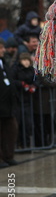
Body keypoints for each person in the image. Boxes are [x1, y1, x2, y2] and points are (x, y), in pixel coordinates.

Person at [0, 38, 19, 168]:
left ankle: (8, 155)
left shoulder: (4, 63)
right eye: (0, 48)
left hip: (8, 106)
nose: (3, 50)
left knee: (10, 131)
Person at [11, 52, 37, 148]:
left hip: (28, 100)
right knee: (19, 122)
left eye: (27, 60)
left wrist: (33, 86)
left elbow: (36, 80)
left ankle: (26, 144)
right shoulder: (16, 69)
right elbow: (13, 81)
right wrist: (22, 84)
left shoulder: (32, 70)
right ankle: (18, 144)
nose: (26, 62)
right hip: (18, 99)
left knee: (27, 123)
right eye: (24, 60)